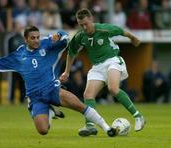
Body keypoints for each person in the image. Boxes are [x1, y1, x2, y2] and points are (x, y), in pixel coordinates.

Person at [0, 25, 117, 137]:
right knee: (43, 131)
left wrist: (60, 34)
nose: (36, 40)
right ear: (25, 39)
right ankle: (50, 111)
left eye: (37, 37)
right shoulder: (18, 56)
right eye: (32, 38)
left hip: (53, 89)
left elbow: (65, 39)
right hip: (35, 97)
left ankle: (107, 128)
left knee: (80, 106)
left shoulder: (46, 44)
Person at [60, 8, 145, 137]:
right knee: (88, 94)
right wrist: (66, 72)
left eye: (86, 24)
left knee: (113, 89)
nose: (84, 27)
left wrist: (133, 38)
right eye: (80, 25)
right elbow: (71, 53)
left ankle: (138, 116)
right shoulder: (80, 36)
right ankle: (90, 126)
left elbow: (121, 31)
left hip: (112, 61)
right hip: (97, 67)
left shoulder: (103, 28)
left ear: (91, 20)